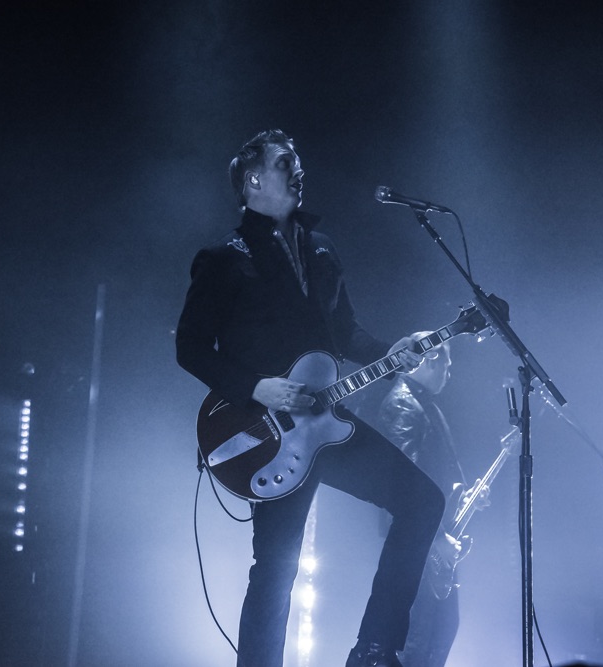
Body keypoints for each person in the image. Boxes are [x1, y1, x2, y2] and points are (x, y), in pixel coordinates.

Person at [176, 129, 445, 667]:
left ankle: (373, 649)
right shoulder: (224, 258)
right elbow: (189, 348)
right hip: (264, 433)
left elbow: (343, 335)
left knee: (422, 501)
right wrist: (254, 386)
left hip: (328, 423)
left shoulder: (321, 251)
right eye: (284, 163)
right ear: (253, 179)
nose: (298, 170)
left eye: (298, 161)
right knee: (276, 568)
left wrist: (391, 353)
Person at [376, 337, 475, 667]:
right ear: (431, 360)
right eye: (447, 364)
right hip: (417, 544)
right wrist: (435, 540)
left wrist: (465, 493)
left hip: (431, 539)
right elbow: (403, 484)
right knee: (418, 639)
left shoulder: (424, 404)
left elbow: (437, 472)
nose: (449, 373)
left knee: (440, 630)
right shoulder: (403, 404)